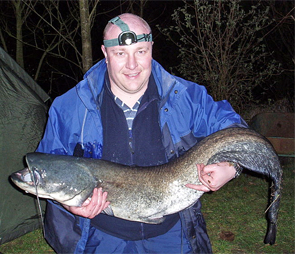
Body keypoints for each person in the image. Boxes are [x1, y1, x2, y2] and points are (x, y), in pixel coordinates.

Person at [36, 13, 247, 253]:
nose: (132, 65)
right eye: (120, 54)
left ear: (152, 49)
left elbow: (237, 132)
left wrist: (231, 167)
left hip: (172, 232)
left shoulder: (186, 97)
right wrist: (69, 203)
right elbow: (48, 166)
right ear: (105, 54)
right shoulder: (69, 107)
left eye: (141, 51)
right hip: (102, 235)